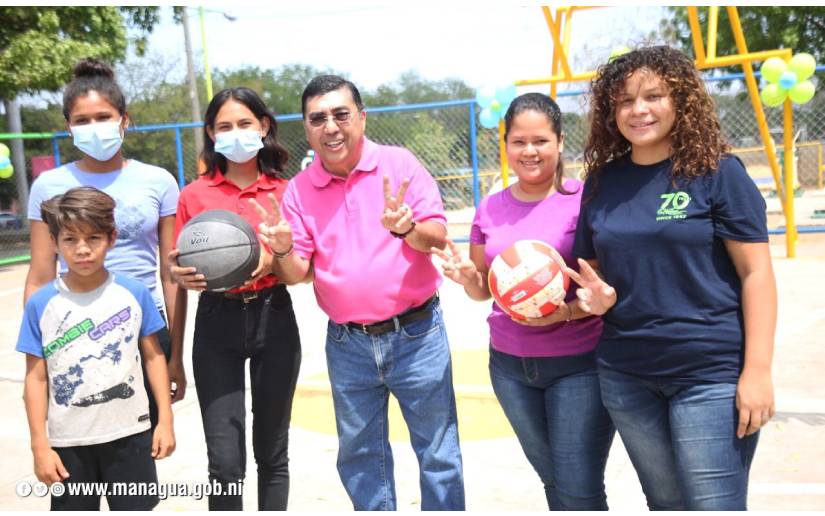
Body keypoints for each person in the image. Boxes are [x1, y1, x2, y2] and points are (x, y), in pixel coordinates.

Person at [572, 45, 776, 510]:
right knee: (665, 504)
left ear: (681, 101)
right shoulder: (602, 182)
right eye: (625, 100)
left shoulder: (717, 172)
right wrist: (595, 298)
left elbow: (757, 273)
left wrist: (758, 371)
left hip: (709, 374)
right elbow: (594, 272)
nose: (638, 110)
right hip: (627, 376)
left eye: (653, 96)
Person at [252, 75, 464, 510]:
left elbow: (437, 236)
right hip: (348, 344)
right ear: (306, 127)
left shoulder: (399, 165)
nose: (330, 127)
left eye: (340, 114)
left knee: (438, 454)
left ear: (362, 118)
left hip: (417, 336)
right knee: (362, 458)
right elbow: (297, 273)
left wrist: (407, 228)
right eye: (317, 118)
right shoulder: (299, 191)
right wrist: (282, 250)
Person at [433, 92, 615, 510]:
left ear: (560, 142)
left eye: (540, 141)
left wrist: (566, 311)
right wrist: (468, 278)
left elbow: (604, 284)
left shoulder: (586, 200)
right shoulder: (490, 208)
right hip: (510, 368)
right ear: (506, 145)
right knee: (553, 479)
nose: (529, 151)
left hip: (579, 364)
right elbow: (483, 291)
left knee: (578, 486)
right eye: (519, 141)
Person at [25, 58, 187, 426]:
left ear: (124, 120)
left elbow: (171, 274)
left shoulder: (159, 181)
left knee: (147, 438)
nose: (94, 128)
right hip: (72, 326)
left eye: (103, 117)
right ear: (69, 127)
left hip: (144, 327)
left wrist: (176, 352)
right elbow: (39, 276)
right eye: (82, 121)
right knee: (82, 440)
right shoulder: (48, 186)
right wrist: (38, 357)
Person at [169, 87, 301, 510]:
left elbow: (300, 269)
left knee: (272, 453)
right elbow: (179, 264)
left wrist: (274, 258)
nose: (235, 133)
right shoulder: (194, 195)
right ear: (211, 133)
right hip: (216, 321)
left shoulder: (287, 191)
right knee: (225, 463)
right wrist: (179, 273)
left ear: (264, 126)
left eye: (245, 123)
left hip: (273, 316)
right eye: (224, 126)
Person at [17, 186, 175, 510]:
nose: (82, 249)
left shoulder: (134, 294)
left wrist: (165, 421)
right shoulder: (41, 304)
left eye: (93, 238)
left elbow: (154, 357)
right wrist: (39, 445)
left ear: (112, 238)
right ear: (54, 242)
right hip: (68, 444)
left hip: (131, 435)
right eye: (70, 239)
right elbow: (36, 378)